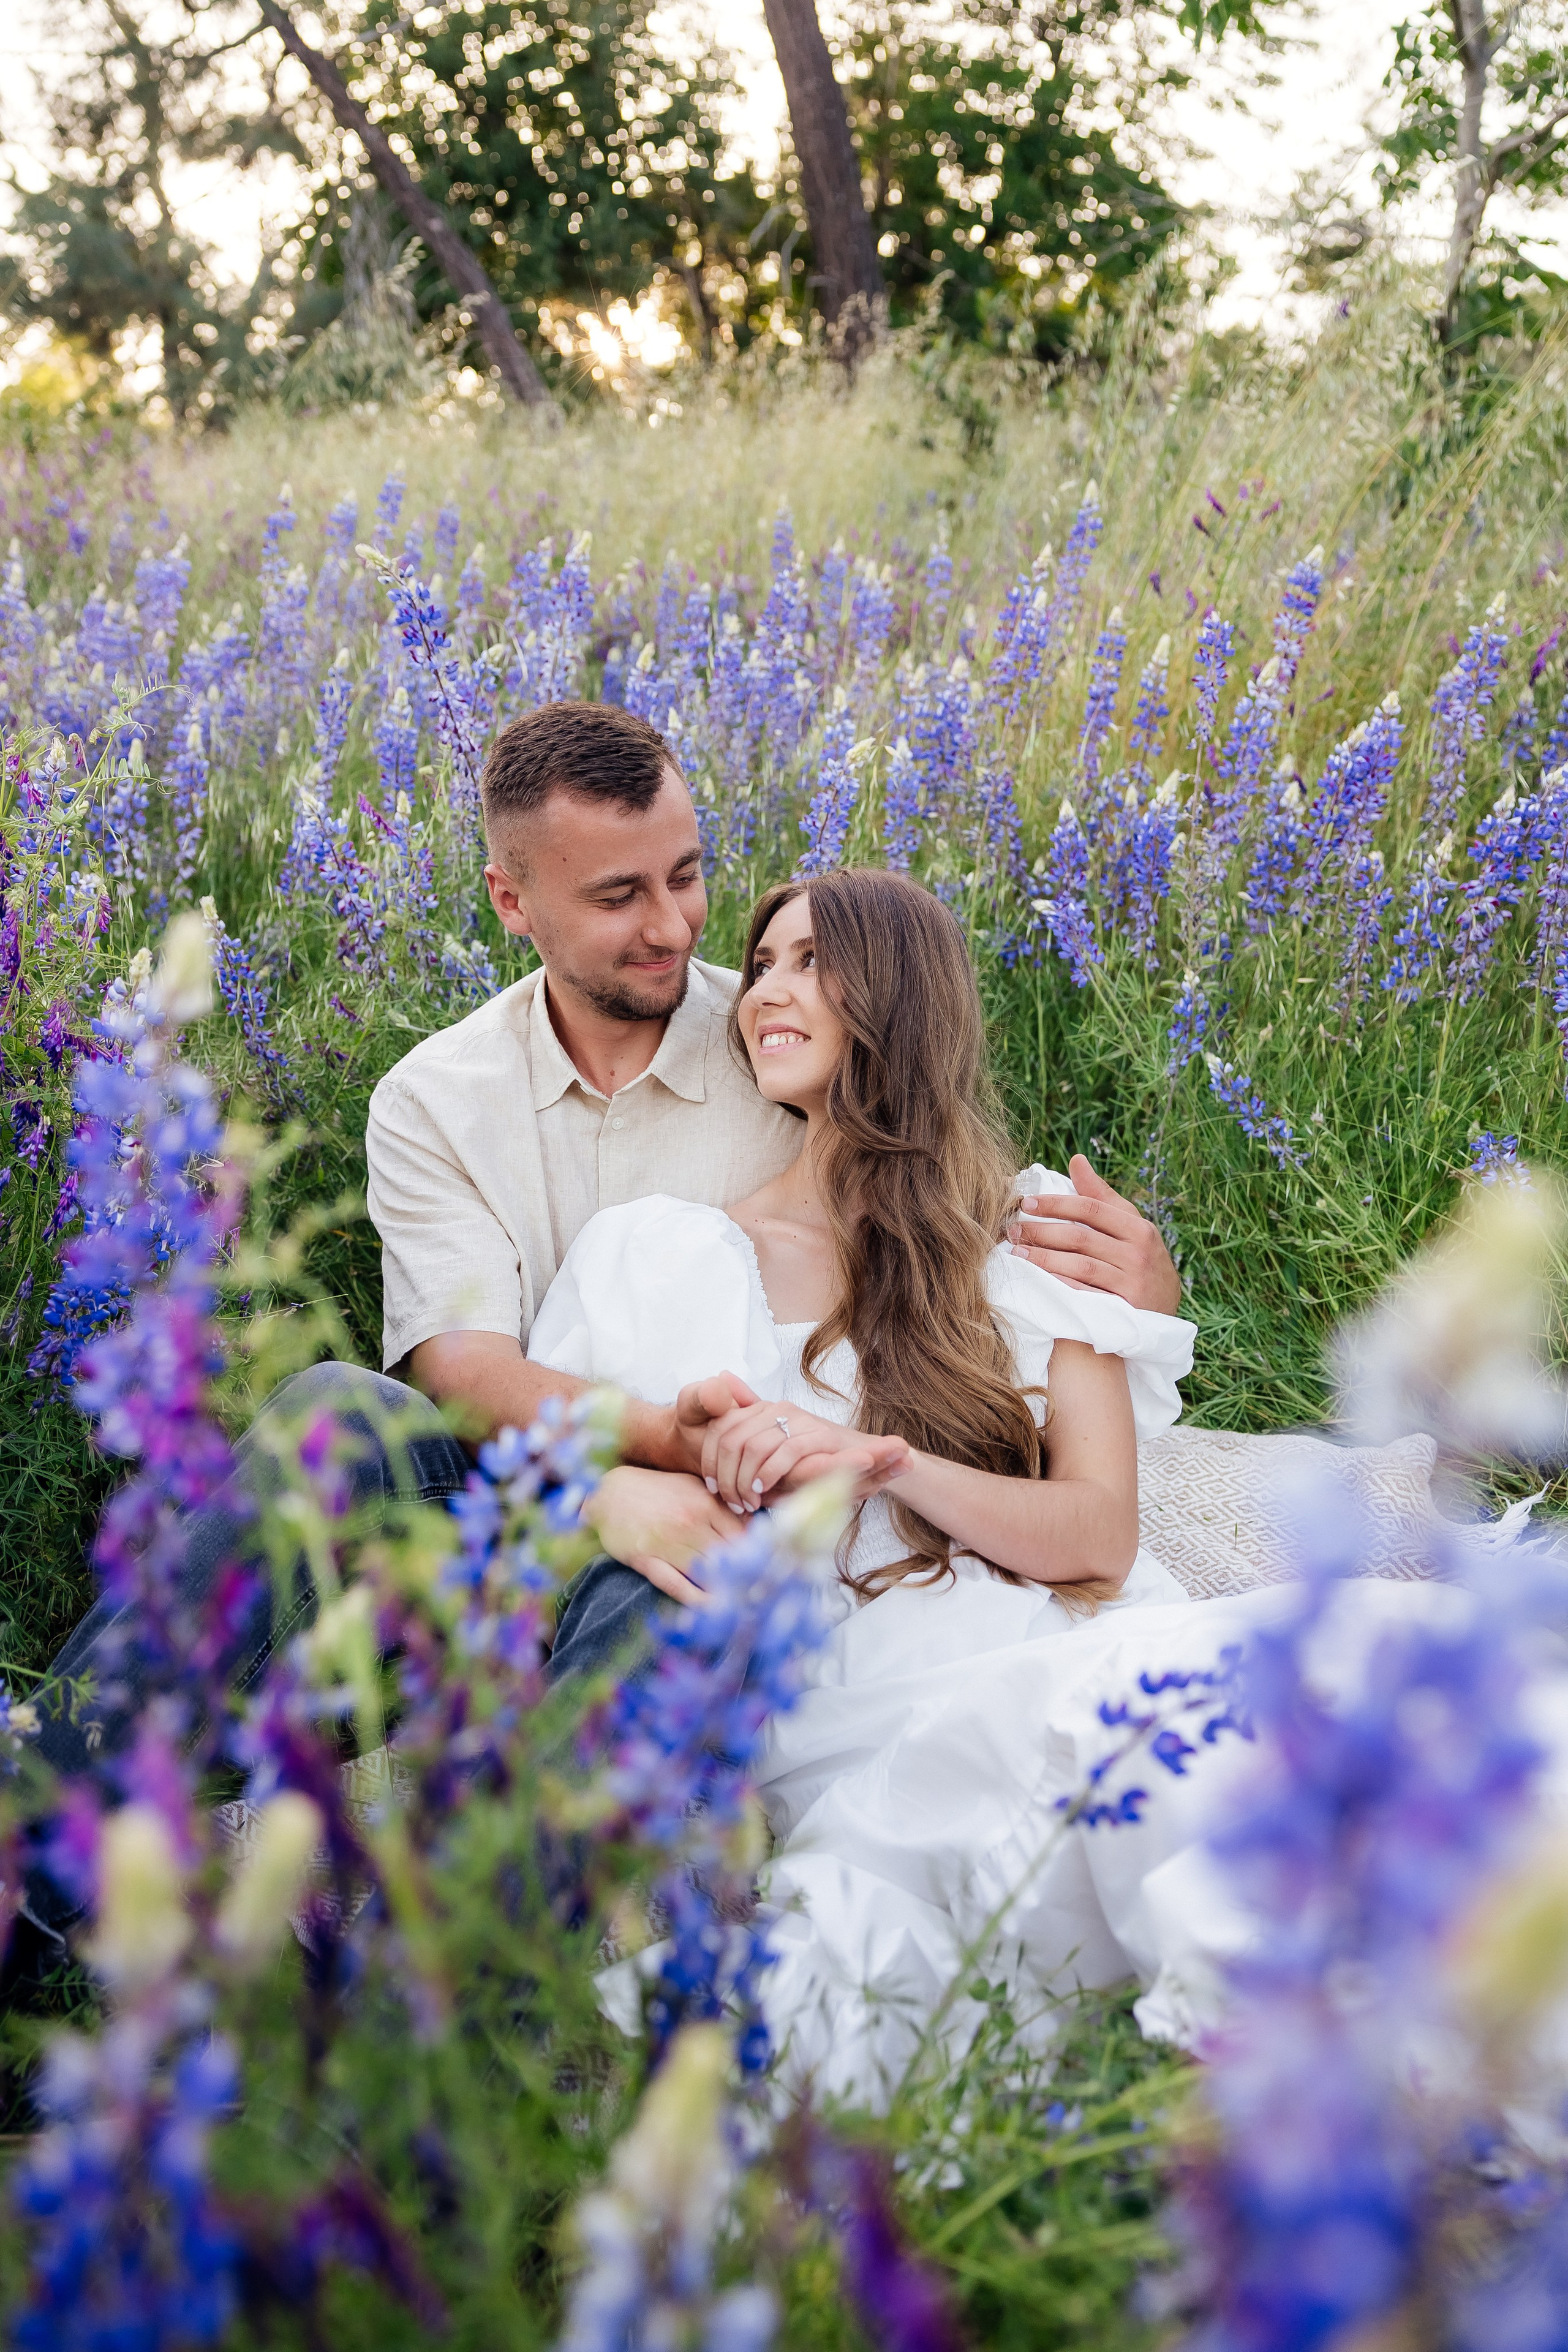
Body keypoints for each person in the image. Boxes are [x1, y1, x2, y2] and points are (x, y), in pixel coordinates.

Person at [35, 700, 1182, 1776]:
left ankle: (461, 1966)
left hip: (713, 1554)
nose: (674, 925)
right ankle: (38, 1833)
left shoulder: (777, 1041)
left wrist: (1138, 1291)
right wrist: (626, 1477)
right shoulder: (440, 1097)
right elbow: (463, 1377)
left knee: (679, 1575)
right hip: (520, 1508)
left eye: (686, 877)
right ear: (512, 902)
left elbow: (938, 1183)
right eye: (620, 895)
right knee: (345, 1411)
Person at [521, 865, 1203, 2101]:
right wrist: (604, 1495)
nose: (765, 991)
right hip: (855, 1698)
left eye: (808, 963)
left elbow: (1096, 1532)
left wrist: (881, 1462)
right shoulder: (654, 1252)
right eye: (762, 962)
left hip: (1056, 1639)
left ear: (896, 998)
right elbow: (543, 1471)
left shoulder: (1027, 1239)